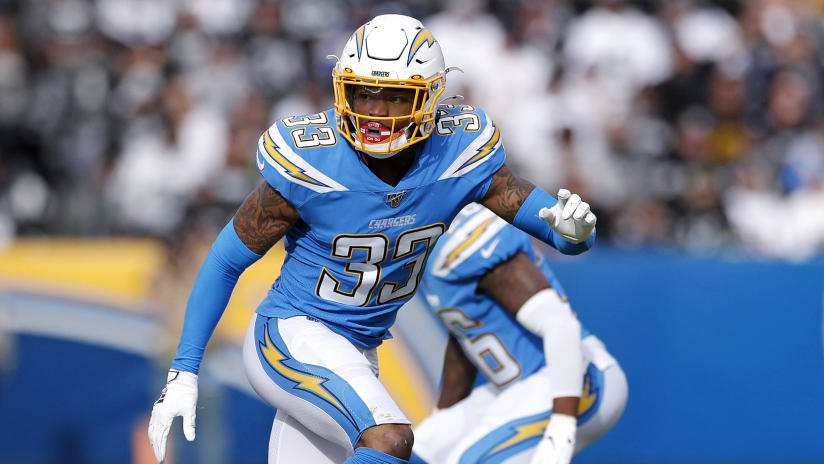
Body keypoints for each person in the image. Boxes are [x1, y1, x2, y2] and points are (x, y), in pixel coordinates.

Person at [148, 14, 598, 464]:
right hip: (294, 334)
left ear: (430, 97)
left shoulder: (457, 152)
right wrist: (183, 371)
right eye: (363, 92)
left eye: (395, 97)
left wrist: (576, 231)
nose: (375, 112)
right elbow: (227, 260)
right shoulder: (314, 162)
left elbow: (555, 228)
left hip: (359, 350)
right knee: (390, 438)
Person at [411, 203, 627, 464]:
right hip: (519, 387)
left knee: (466, 460)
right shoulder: (430, 242)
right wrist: (443, 416)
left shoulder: (465, 238)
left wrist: (561, 429)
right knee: (415, 451)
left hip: (575, 377)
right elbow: (468, 333)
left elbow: (560, 325)